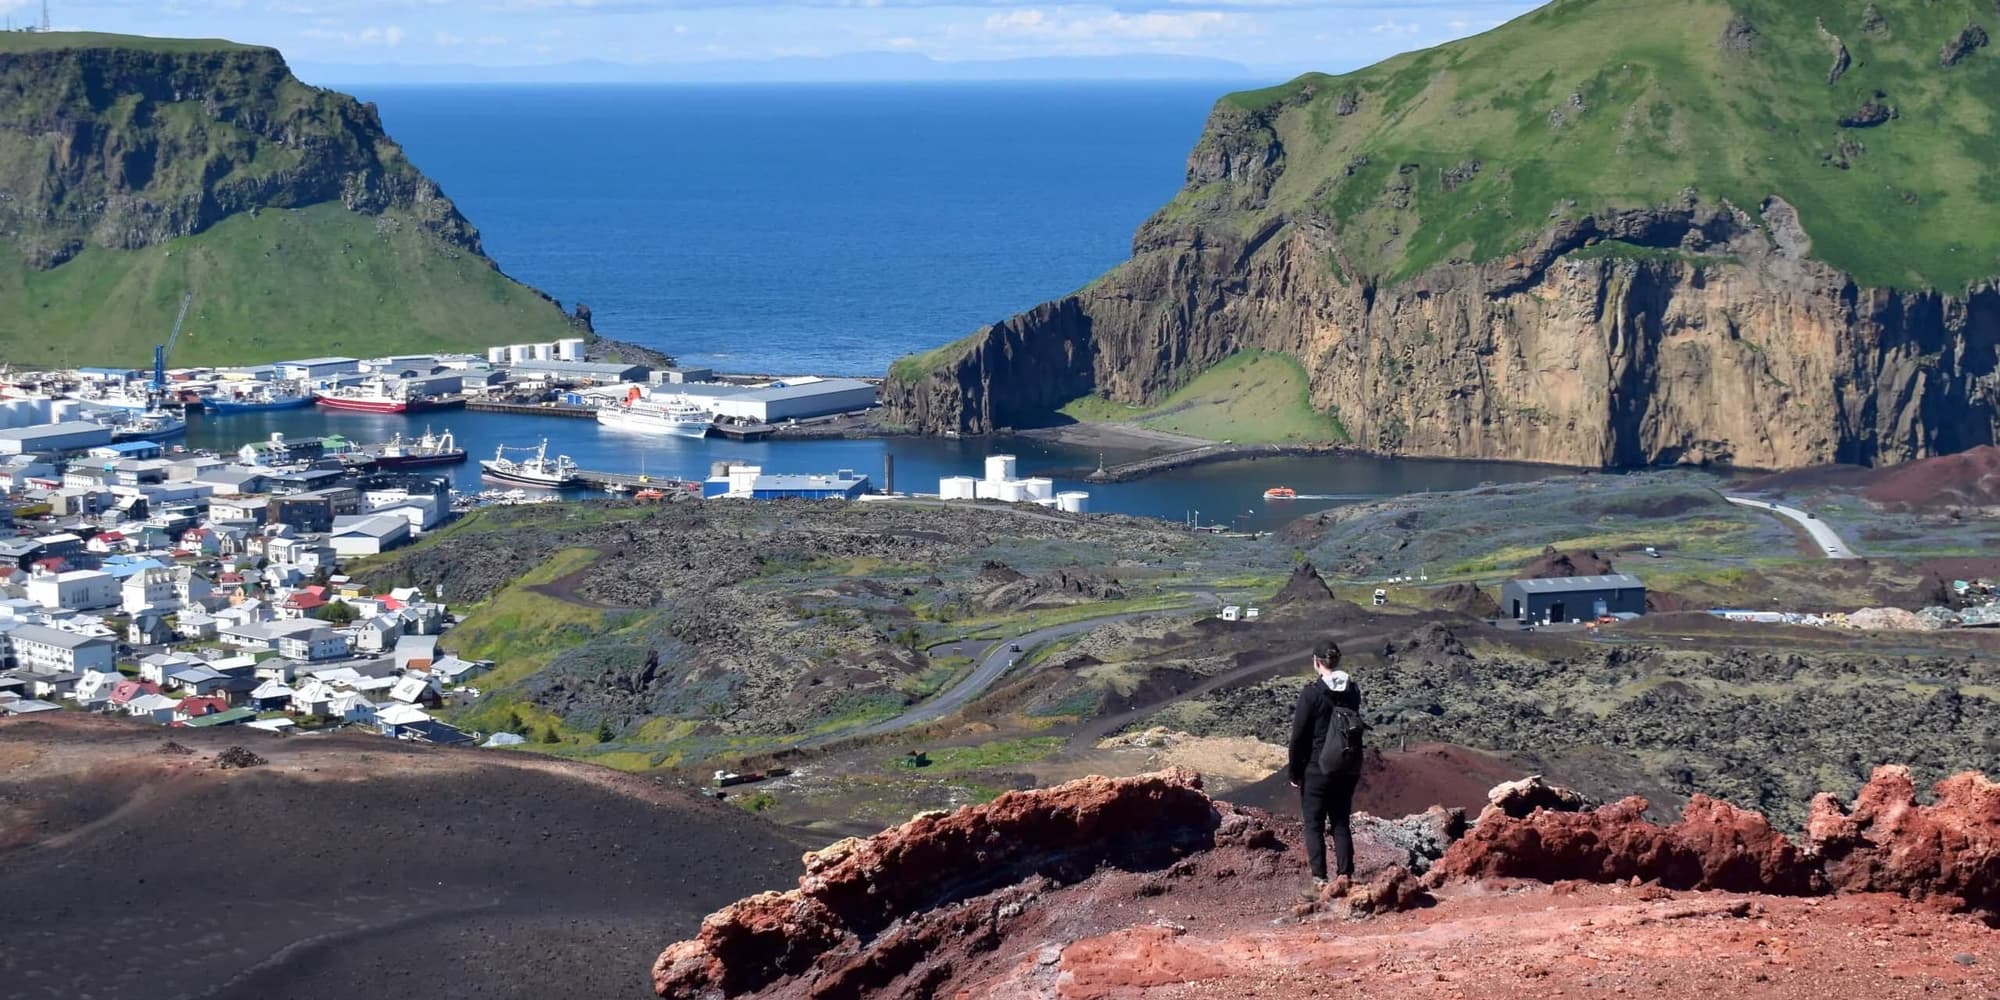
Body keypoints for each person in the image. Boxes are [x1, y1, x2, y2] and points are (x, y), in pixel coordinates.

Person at [1287, 637, 1363, 895]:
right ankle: (1346, 876)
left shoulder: (1311, 694)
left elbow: (1298, 737)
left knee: (1314, 825)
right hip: (1347, 766)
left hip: (1317, 768)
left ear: (1317, 662)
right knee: (1340, 822)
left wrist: (1294, 771)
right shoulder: (1353, 690)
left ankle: (1320, 880)